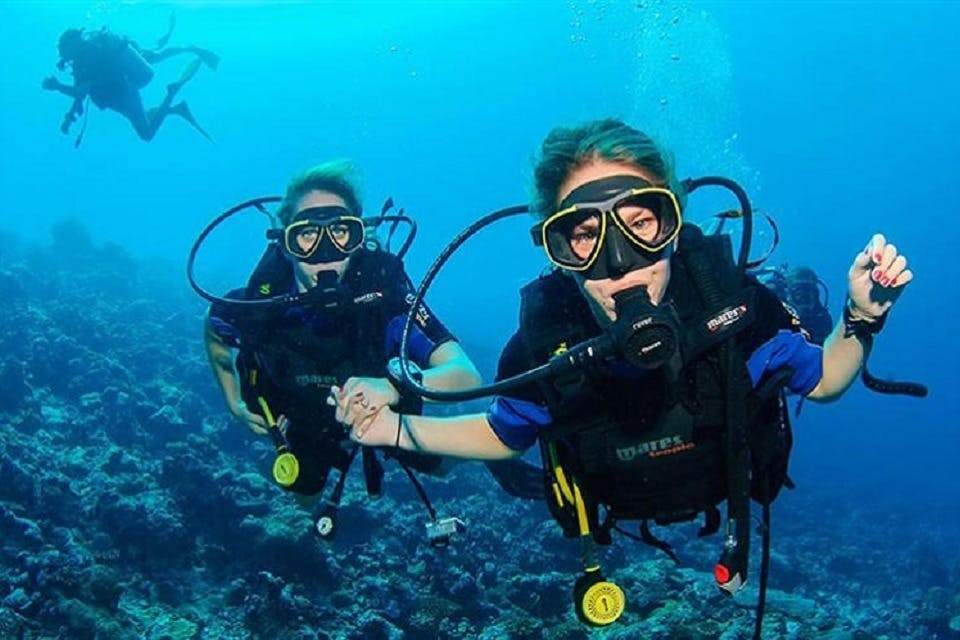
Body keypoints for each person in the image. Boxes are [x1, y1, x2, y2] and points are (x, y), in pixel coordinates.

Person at [331, 119, 915, 631]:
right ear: (558, 249)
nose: (619, 264)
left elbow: (825, 380)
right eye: (585, 235)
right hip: (613, 508)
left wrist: (861, 317)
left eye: (641, 224)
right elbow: (504, 433)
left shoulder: (733, 309)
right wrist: (392, 431)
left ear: (673, 225)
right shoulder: (545, 342)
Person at [203, 161, 489, 541]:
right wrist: (235, 404)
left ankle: (495, 453)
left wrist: (393, 387)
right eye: (307, 234)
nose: (326, 252)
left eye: (340, 231)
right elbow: (215, 330)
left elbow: (465, 374)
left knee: (442, 466)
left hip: (385, 413)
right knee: (303, 497)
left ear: (359, 236)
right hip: (304, 418)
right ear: (285, 244)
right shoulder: (259, 306)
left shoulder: (386, 301)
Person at [41, 18, 218, 145]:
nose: (62, 56)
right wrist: (69, 116)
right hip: (122, 86)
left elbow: (80, 92)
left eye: (63, 50)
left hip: (123, 93)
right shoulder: (87, 56)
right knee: (156, 55)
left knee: (146, 133)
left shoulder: (86, 58)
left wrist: (56, 86)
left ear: (71, 45)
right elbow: (80, 93)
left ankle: (172, 93)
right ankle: (189, 51)